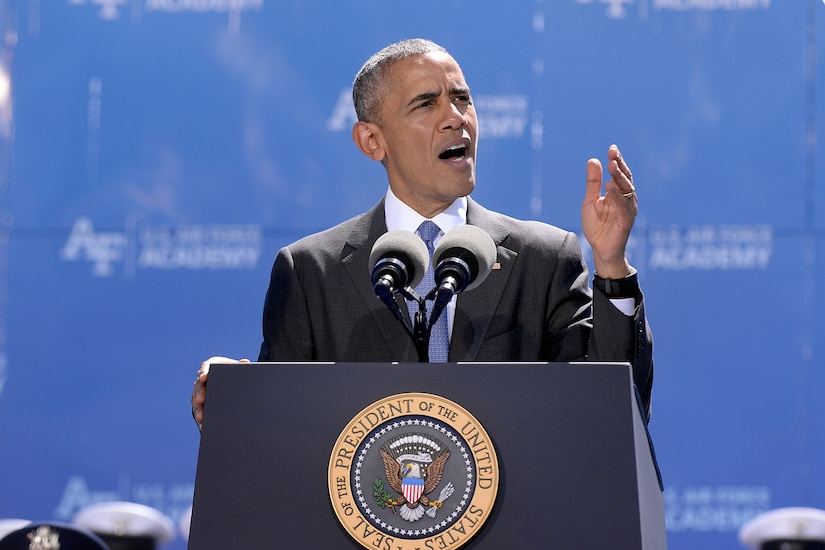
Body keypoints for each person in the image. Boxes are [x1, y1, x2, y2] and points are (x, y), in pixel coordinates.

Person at [191, 38, 653, 429]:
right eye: (425, 103)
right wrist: (232, 401)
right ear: (372, 141)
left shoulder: (544, 257)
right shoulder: (313, 271)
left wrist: (611, 264)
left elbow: (611, 412)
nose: (455, 117)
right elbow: (280, 429)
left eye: (462, 98)